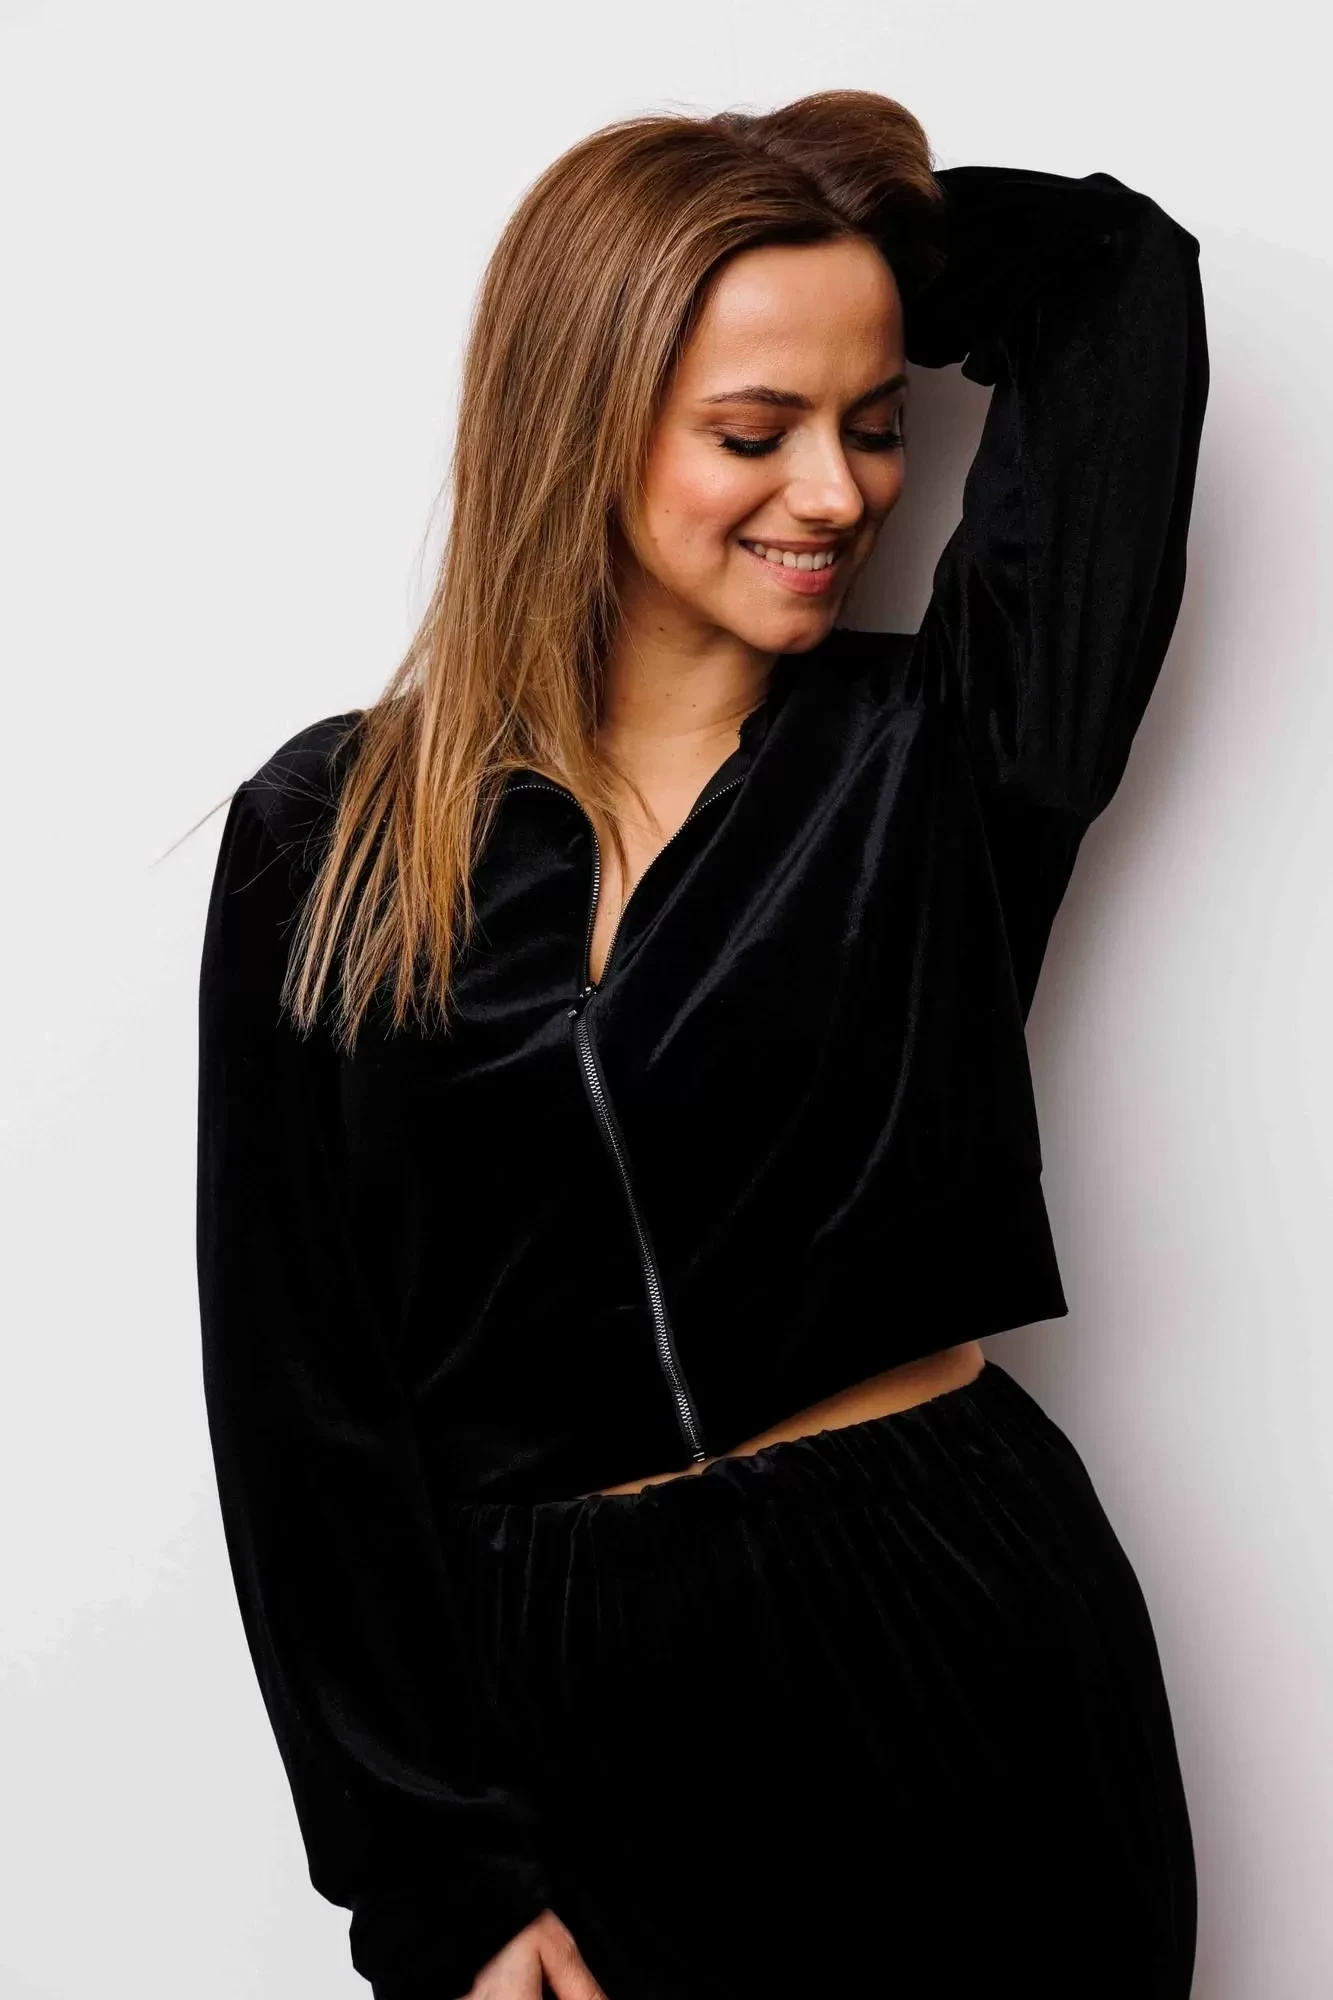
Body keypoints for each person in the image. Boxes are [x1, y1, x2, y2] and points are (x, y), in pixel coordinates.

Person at [195, 90, 1208, 2000]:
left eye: (876, 422)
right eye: (755, 430)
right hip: (576, 1695)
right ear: (582, 416)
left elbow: (1117, 284)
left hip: (952, 1622)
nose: (836, 493)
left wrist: (845, 225)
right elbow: (301, 1399)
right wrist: (434, 1876)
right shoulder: (326, 837)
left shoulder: (954, 760)